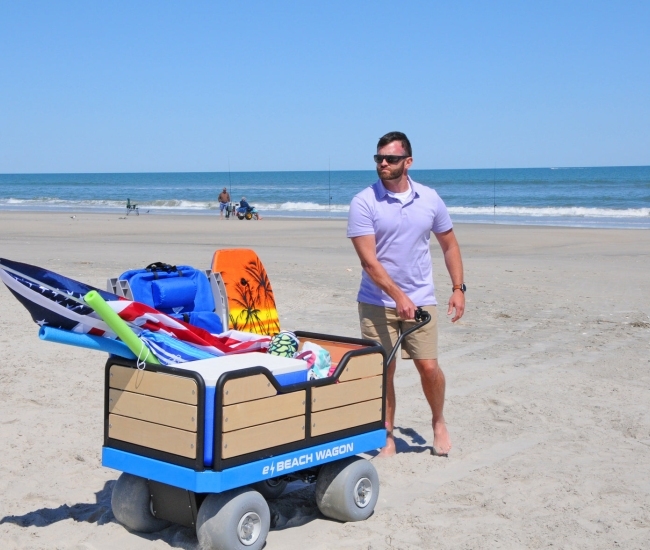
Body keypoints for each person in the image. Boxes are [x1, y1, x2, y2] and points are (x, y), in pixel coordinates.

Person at [347, 131, 465, 458]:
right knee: (383, 370)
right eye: (379, 158)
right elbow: (369, 262)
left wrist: (458, 288)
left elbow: (449, 244)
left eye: (391, 158)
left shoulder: (429, 199)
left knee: (428, 368)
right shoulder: (364, 202)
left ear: (408, 162)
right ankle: (386, 434)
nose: (383, 163)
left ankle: (438, 421)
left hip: (422, 300)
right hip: (376, 302)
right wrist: (398, 296)